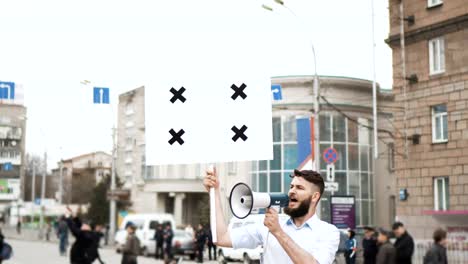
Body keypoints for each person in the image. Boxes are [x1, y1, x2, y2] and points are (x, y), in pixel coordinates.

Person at [203, 168, 340, 264]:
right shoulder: (269, 224)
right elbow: (221, 238)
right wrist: (214, 193)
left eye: (299, 188)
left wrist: (278, 232)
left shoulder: (328, 232)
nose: (291, 191)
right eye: (291, 186)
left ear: (315, 196)